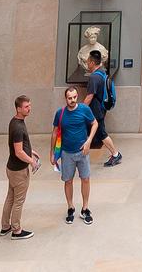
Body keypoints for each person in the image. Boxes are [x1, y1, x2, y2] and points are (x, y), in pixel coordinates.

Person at [52, 85, 97, 225]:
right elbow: (54, 133)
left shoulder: (84, 109)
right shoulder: (60, 113)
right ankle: (70, 207)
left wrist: (89, 140)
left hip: (82, 152)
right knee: (68, 180)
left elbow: (94, 123)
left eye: (74, 97)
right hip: (66, 153)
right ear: (65, 98)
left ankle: (85, 208)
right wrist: (53, 154)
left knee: (85, 179)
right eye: (69, 98)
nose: (72, 100)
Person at [1, 95, 40, 240]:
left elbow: (19, 146)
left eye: (29, 105)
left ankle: (5, 226)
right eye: (26, 107)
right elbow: (18, 152)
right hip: (18, 171)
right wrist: (32, 161)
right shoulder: (18, 127)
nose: (29, 109)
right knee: (18, 201)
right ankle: (16, 230)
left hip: (11, 168)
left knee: (10, 198)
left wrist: (30, 150)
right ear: (19, 109)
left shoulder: (15, 121)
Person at [84, 49, 125, 166]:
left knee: (102, 133)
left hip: (96, 110)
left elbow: (89, 96)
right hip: (101, 108)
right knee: (91, 131)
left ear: (92, 62)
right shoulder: (102, 73)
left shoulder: (93, 78)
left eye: (88, 61)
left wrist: (79, 108)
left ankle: (116, 154)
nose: (87, 63)